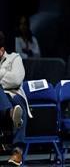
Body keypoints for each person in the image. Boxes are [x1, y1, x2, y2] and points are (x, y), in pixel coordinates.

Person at [0, 31, 29, 166]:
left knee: (18, 104)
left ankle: (17, 152)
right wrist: (6, 74)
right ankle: (11, 113)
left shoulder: (15, 58)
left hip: (14, 95)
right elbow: (10, 79)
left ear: (1, 50)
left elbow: (16, 80)